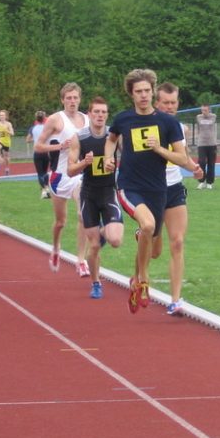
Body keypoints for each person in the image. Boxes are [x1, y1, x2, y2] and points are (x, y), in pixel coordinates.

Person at [103, 68, 189, 313]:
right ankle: (143, 280)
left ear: (153, 92)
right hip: (129, 187)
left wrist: (160, 149)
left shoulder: (168, 122)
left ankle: (137, 275)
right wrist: (109, 159)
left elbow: (182, 159)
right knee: (148, 226)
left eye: (147, 91)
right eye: (138, 91)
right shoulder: (123, 119)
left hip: (158, 190)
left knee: (155, 248)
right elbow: (110, 140)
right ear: (131, 94)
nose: (143, 95)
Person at [153, 82, 204, 315]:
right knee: (154, 250)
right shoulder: (147, 126)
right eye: (166, 103)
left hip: (174, 188)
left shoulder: (180, 128)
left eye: (174, 103)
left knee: (178, 241)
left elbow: (182, 155)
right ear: (157, 103)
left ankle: (175, 300)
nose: (170, 107)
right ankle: (146, 235)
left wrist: (194, 168)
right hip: (151, 190)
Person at [67, 97, 124, 299]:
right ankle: (96, 282)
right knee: (94, 247)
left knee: (115, 240)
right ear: (89, 114)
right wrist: (84, 163)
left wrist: (116, 166)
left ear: (107, 115)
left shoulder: (114, 136)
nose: (100, 115)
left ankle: (102, 233)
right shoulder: (79, 138)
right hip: (89, 194)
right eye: (96, 112)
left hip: (109, 191)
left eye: (103, 112)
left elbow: (126, 161)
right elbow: (70, 171)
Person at [34, 82, 90, 275]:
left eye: (75, 98)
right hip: (59, 176)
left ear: (80, 99)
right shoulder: (55, 120)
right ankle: (56, 248)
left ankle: (81, 260)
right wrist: (60, 147)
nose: (72, 101)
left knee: (84, 215)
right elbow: (38, 147)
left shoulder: (87, 119)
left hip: (79, 173)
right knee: (61, 222)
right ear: (62, 100)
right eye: (68, 98)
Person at [27, 111, 51, 199]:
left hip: (37, 152)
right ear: (44, 118)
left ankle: (44, 190)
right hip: (46, 152)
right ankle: (47, 187)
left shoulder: (33, 128)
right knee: (45, 172)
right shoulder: (47, 128)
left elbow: (27, 140)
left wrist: (35, 138)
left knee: (40, 173)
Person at [196, 103, 217, 190]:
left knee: (211, 163)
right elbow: (198, 128)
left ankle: (209, 182)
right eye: (202, 110)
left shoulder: (213, 116)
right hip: (201, 143)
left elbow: (211, 119)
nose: (203, 112)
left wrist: (208, 115)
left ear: (209, 110)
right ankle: (201, 181)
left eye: (205, 110)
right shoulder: (198, 117)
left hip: (212, 143)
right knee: (201, 162)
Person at [0, 109, 14, 175]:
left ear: (6, 116)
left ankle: (7, 168)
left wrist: (7, 131)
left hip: (7, 142)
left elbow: (12, 133)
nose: (1, 116)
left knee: (7, 157)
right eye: (0, 115)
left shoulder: (8, 124)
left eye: (3, 115)